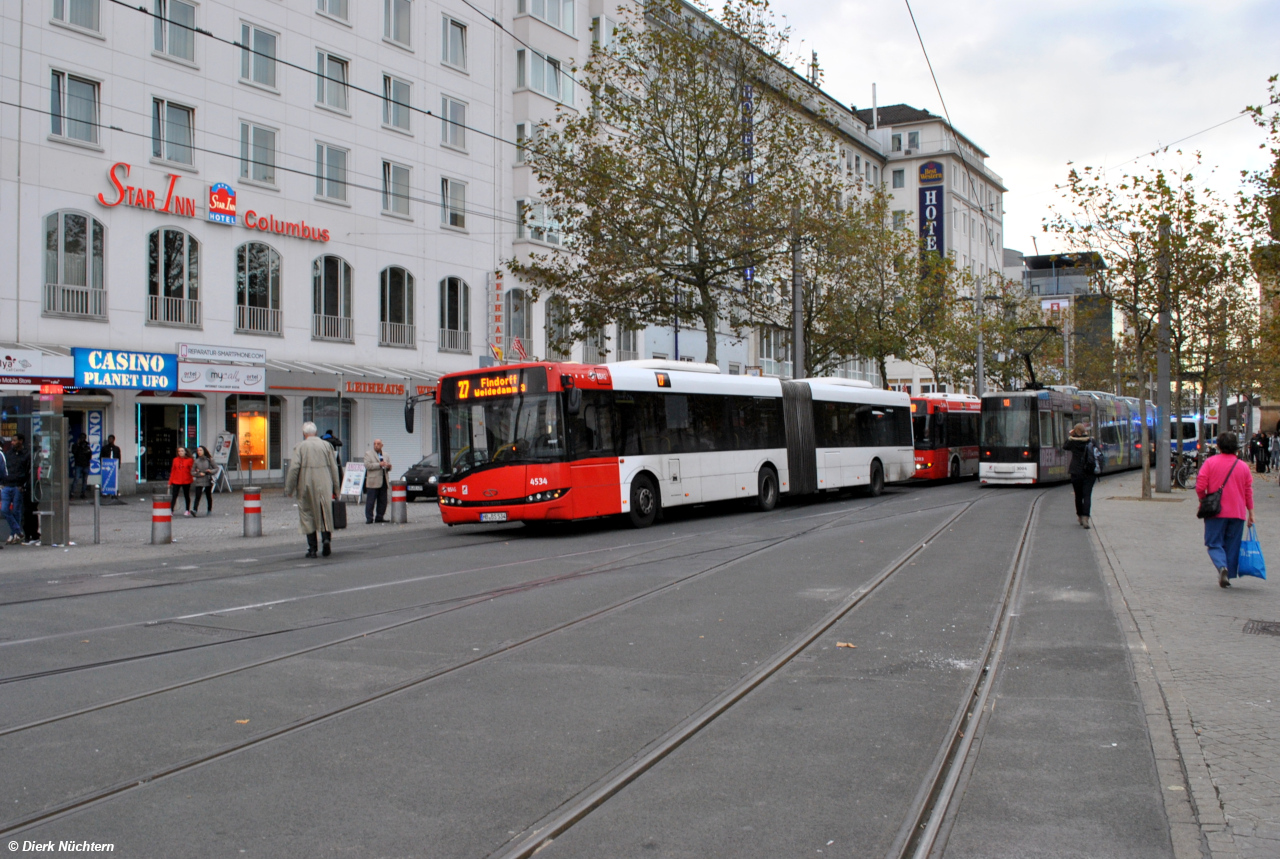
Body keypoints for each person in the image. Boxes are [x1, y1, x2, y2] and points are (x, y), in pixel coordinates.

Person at [1196, 431, 1255, 589]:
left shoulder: (1210, 463)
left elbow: (1201, 486)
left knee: (1214, 543)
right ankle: (1228, 573)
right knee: (1232, 545)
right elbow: (1248, 491)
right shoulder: (1243, 467)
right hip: (1237, 512)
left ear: (1219, 446)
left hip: (1216, 512)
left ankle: (1222, 567)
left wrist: (1203, 499)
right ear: (1235, 447)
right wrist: (1251, 512)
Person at [285, 422, 341, 558]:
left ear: (304, 434)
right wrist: (336, 488)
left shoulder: (300, 447)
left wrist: (289, 488)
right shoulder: (326, 445)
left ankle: (312, 549)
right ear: (315, 432)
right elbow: (334, 468)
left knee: (307, 513)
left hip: (305, 482)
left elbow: (294, 468)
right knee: (324, 511)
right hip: (324, 481)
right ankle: (326, 539)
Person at [1063, 423, 1099, 529]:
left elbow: (1065, 446)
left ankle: (1079, 515)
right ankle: (1086, 517)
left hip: (1076, 472)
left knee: (1078, 496)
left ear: (1075, 430)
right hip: (1089, 472)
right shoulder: (1091, 440)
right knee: (1087, 495)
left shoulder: (1073, 442)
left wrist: (1071, 436)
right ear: (1084, 431)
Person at [2, 434, 29, 545]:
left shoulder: (26, 454)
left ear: (21, 441)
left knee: (17, 511)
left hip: (18, 485)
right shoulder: (9, 454)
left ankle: (14, 534)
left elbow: (27, 471)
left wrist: (23, 485)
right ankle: (17, 531)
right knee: (4, 509)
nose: (12, 443)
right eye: (12, 440)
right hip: (7, 484)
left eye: (14, 440)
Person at [363, 439, 393, 524]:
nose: (376, 445)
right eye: (375, 444)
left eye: (378, 444)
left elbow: (389, 466)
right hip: (373, 481)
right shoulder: (368, 454)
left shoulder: (386, 455)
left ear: (382, 445)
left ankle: (379, 517)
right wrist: (379, 464)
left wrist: (389, 467)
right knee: (371, 501)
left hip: (384, 480)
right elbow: (368, 466)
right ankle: (369, 518)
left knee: (383, 501)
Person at [169, 447, 194, 517]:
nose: (180, 452)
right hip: (176, 480)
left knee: (186, 495)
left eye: (182, 451)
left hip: (186, 480)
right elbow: (173, 471)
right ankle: (171, 510)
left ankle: (187, 510)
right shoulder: (175, 460)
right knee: (174, 495)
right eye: (179, 451)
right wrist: (170, 482)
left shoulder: (189, 460)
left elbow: (191, 470)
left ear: (185, 452)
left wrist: (192, 478)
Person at [191, 445, 215, 516]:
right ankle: (194, 510)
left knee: (208, 495)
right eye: (198, 451)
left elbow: (216, 468)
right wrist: (198, 474)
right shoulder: (196, 461)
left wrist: (210, 471)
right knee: (197, 495)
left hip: (207, 479)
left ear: (204, 451)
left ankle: (209, 509)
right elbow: (192, 472)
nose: (199, 452)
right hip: (199, 480)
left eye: (201, 450)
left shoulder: (209, 459)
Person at [70, 434, 93, 499]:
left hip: (86, 464)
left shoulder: (87, 445)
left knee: (85, 480)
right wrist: (78, 445)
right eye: (81, 438)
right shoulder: (76, 445)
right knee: (76, 479)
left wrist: (86, 450)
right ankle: (72, 493)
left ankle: (83, 493)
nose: (82, 439)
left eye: (83, 438)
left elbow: (89, 455)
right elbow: (74, 452)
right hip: (78, 464)